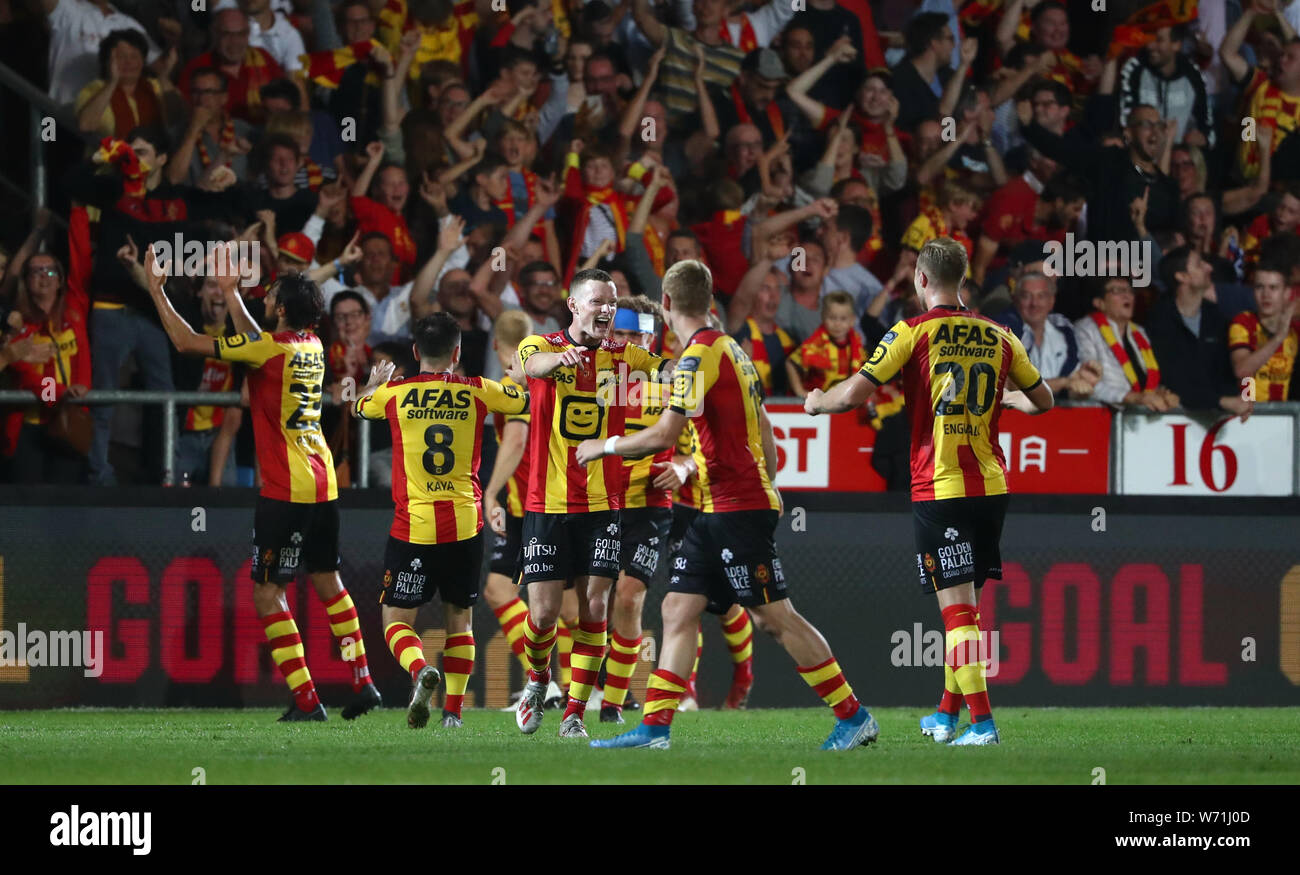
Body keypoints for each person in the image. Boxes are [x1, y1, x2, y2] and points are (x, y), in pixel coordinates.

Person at [578, 259, 878, 751]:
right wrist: (773, 483)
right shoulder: (733, 349)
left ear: (668, 304)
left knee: (775, 618)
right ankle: (655, 729)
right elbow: (763, 423)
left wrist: (604, 446)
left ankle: (853, 715)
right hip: (723, 507)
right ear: (710, 301)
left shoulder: (697, 358)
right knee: (677, 609)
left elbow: (665, 435)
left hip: (736, 506)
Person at [806, 236, 1054, 746]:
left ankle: (983, 725)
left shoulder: (912, 331)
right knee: (965, 606)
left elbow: (853, 395)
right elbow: (1044, 400)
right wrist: (1007, 398)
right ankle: (946, 715)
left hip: (941, 487)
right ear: (962, 280)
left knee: (957, 612)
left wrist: (815, 402)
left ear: (921, 279)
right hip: (991, 485)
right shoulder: (1001, 334)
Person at [142, 245, 381, 722]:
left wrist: (156, 291)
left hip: (285, 489)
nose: (264, 298)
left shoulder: (269, 348)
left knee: (268, 593)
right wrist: (233, 297)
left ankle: (308, 701)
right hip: (323, 481)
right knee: (329, 582)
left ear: (282, 309)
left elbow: (187, 342)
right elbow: (259, 340)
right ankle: (363, 681)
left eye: (269, 295)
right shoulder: (309, 345)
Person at [352, 312, 528, 729]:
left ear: (415, 352)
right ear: (458, 352)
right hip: (466, 526)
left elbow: (360, 408)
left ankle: (418, 672)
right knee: (459, 621)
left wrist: (373, 385)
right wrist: (522, 374)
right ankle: (453, 714)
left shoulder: (394, 394)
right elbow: (523, 400)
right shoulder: (479, 390)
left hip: (414, 526)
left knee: (395, 621)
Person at [511, 268, 666, 739]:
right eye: (598, 300)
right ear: (574, 305)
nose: (607, 309)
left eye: (612, 302)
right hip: (547, 503)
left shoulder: (624, 354)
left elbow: (666, 369)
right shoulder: (538, 345)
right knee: (541, 615)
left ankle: (574, 713)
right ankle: (538, 680)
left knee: (595, 607)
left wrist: (690, 371)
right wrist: (561, 362)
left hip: (604, 503)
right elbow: (531, 368)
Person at [598, 295, 673, 725]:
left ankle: (612, 703)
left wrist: (683, 466)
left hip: (647, 505)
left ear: (652, 336)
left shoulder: (674, 382)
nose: (628, 343)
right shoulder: (593, 375)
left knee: (628, 597)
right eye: (620, 333)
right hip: (596, 502)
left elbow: (705, 444)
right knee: (586, 605)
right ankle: (571, 691)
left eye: (637, 335)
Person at [1074, 276, 1181, 412]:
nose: (1127, 295)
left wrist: (1162, 394)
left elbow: (1146, 383)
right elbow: (1087, 383)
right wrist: (1134, 398)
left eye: (1130, 291)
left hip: (1140, 415)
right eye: (1117, 290)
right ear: (1099, 302)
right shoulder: (1085, 330)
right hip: (1105, 416)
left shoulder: (1140, 332)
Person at [1229, 260, 1299, 402]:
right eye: (1259, 287)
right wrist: (1279, 337)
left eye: (1273, 288)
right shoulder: (1244, 322)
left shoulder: (1295, 331)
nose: (1266, 294)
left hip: (1287, 416)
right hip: (1251, 415)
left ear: (1287, 293)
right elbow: (1242, 371)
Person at [785, 290, 866, 398]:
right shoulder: (815, 344)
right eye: (832, 318)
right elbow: (791, 364)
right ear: (823, 317)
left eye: (843, 319)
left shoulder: (857, 345)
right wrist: (800, 391)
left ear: (852, 320)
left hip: (845, 401)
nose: (837, 324)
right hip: (818, 402)